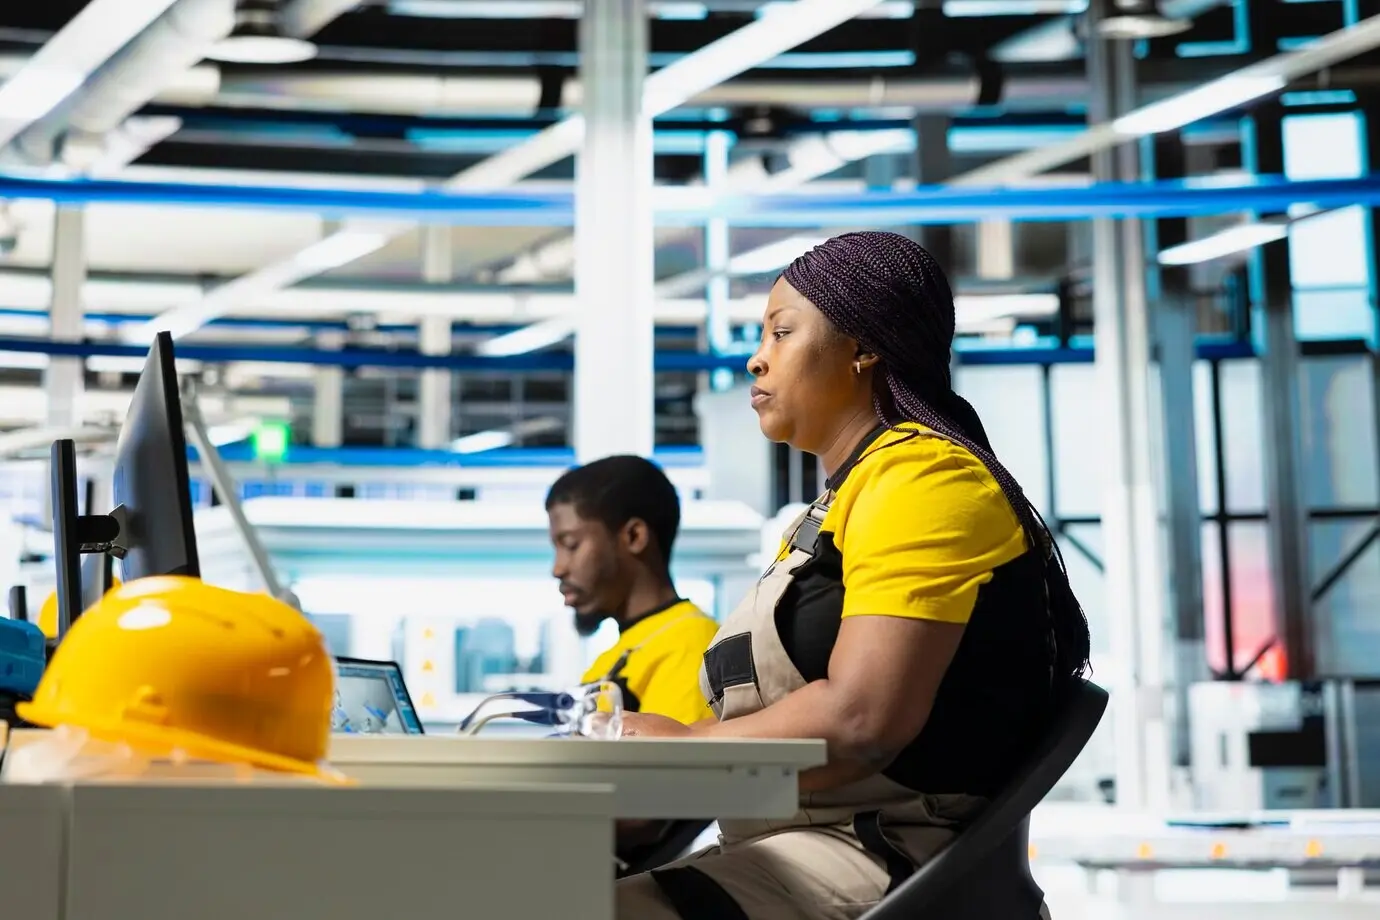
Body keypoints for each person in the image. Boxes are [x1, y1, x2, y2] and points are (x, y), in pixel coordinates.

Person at [614, 231, 1092, 920]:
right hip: (801, 844)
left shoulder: (924, 478)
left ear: (862, 348)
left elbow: (862, 719)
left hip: (879, 856)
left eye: (781, 333)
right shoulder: (840, 505)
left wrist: (686, 745)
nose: (756, 358)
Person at [545, 454, 718, 726]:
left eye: (570, 545)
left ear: (634, 536)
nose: (558, 568)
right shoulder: (611, 658)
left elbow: (673, 753)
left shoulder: (691, 645)